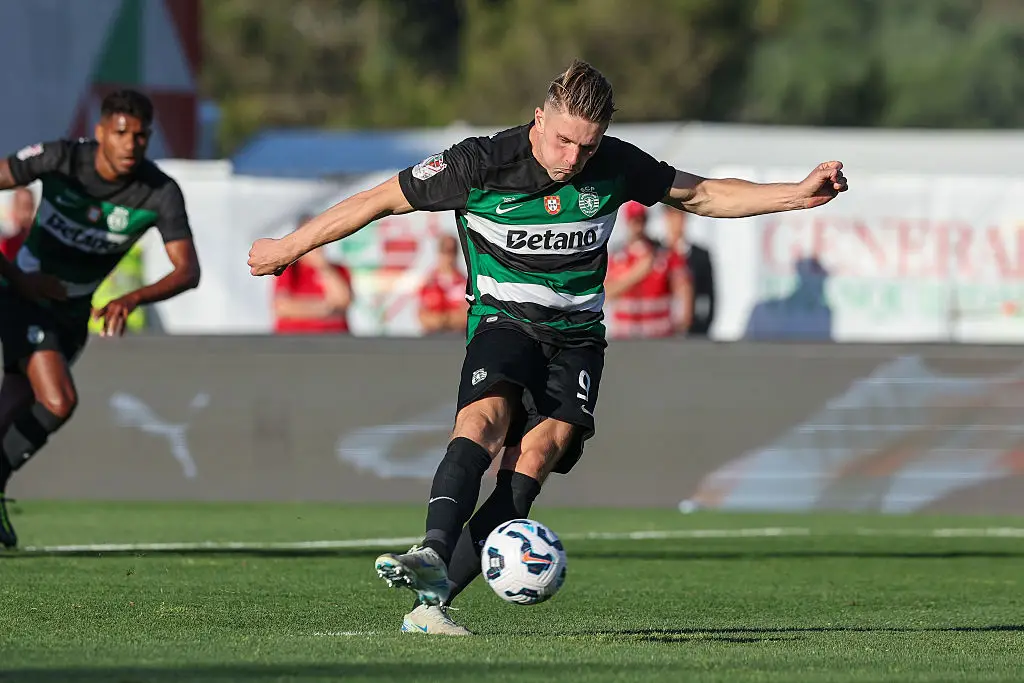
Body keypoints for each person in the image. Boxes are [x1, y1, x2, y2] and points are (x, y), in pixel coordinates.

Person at [247, 59, 848, 634]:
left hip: (578, 336)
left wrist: (796, 193)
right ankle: (432, 547)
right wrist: (287, 247)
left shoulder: (612, 164)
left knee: (535, 458)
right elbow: (376, 200)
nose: (573, 158)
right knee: (485, 421)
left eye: (587, 146)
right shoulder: (480, 162)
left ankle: (432, 604)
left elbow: (701, 194)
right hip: (503, 323)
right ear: (539, 118)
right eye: (563, 140)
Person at [0, 90, 201, 549]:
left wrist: (132, 298)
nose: (131, 143)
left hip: (73, 311)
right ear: (100, 132)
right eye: (121, 132)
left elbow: (188, 270)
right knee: (57, 400)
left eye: (142, 135)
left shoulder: (159, 191)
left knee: (15, 394)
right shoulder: (60, 159)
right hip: (22, 292)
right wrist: (15, 275)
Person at [605, 201, 691, 338]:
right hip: (625, 336)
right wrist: (636, 274)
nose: (638, 226)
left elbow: (683, 287)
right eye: (634, 221)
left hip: (659, 334)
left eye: (641, 220)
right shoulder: (617, 256)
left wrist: (682, 324)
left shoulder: (663, 254)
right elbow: (605, 293)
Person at [272, 213, 352, 335]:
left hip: (333, 339)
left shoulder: (337, 269)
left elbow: (343, 301)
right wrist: (326, 308)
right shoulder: (288, 269)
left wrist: (323, 267)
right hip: (295, 340)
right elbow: (283, 307)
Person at [664, 204, 715, 337]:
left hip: (692, 331)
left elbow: (708, 295)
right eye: (672, 216)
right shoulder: (658, 253)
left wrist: (702, 327)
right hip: (662, 330)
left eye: (679, 215)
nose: (676, 222)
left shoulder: (700, 255)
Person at [418, 234, 468, 335]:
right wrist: (447, 319)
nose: (449, 257)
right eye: (445, 251)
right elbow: (423, 318)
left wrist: (442, 319)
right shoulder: (429, 283)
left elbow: (466, 317)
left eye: (452, 251)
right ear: (439, 253)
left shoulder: (465, 283)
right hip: (433, 340)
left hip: (457, 339)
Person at [0, 188, 35, 260]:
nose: (27, 213)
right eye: (24, 207)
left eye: (31, 207)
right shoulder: (6, 247)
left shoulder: (40, 240)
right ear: (14, 210)